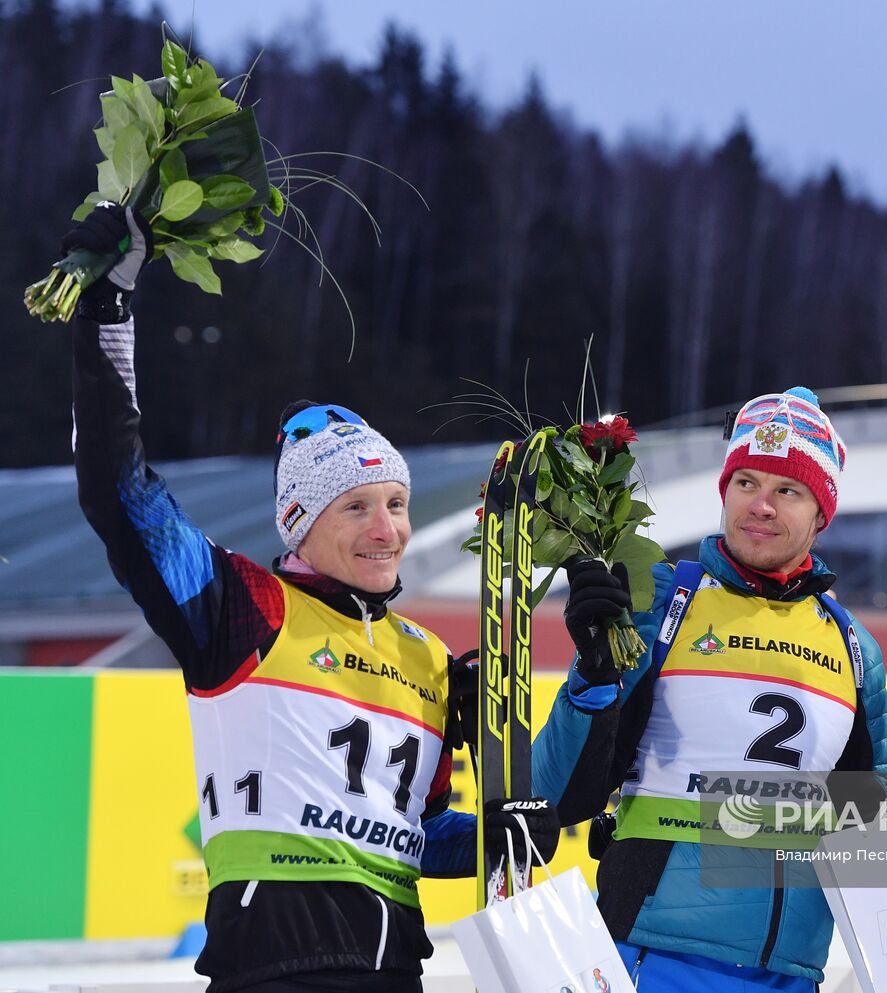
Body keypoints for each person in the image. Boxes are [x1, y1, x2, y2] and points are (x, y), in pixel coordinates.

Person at [63, 204, 560, 993]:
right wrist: (106, 312)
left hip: (396, 973)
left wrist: (499, 832)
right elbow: (118, 493)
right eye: (356, 506)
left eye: (396, 503)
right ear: (297, 523)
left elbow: (417, 837)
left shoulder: (428, 658)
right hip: (272, 970)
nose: (385, 528)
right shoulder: (239, 604)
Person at [532, 388, 887, 992]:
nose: (762, 506)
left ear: (822, 513)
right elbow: (557, 796)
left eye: (788, 490)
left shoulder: (853, 647)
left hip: (790, 970)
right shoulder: (661, 603)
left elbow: (871, 829)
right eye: (746, 482)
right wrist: (591, 676)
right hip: (655, 954)